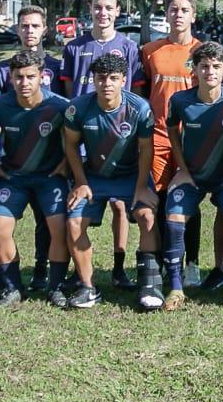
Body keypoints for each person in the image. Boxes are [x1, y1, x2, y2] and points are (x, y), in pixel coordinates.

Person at [60, 0, 147, 289]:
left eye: (109, 7)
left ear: (117, 11)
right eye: (98, 7)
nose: (103, 12)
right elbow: (69, 93)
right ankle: (77, 270)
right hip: (85, 131)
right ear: (90, 9)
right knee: (78, 197)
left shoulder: (128, 47)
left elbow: (134, 93)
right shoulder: (73, 47)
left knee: (120, 206)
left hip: (118, 133)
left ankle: (119, 266)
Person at [60, 53, 158, 310]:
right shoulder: (77, 108)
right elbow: (70, 146)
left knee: (148, 216)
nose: (107, 84)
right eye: (101, 78)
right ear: (93, 80)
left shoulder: (140, 108)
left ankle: (149, 285)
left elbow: (147, 149)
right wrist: (80, 182)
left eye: (114, 78)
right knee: (73, 223)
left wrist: (140, 186)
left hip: (130, 177)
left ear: (124, 80)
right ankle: (88, 287)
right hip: (93, 177)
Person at [162, 42, 223, 313]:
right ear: (195, 70)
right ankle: (177, 288)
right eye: (204, 66)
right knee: (174, 219)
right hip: (193, 176)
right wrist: (182, 170)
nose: (209, 71)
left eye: (216, 66)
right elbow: (172, 133)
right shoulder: (180, 100)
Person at [140, 0, 214, 289]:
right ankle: (157, 263)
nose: (178, 14)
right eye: (173, 9)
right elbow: (143, 95)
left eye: (185, 10)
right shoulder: (150, 50)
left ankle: (191, 263)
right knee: (158, 201)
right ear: (166, 14)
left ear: (193, 16)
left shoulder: (203, 52)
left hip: (191, 138)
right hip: (158, 137)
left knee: (189, 201)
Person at [0, 49, 72, 308]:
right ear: (11, 78)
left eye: (30, 77)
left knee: (60, 228)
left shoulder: (59, 106)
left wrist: (65, 164)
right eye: (18, 77)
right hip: (13, 178)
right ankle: (13, 287)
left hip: (49, 178)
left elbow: (75, 143)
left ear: (42, 77)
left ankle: (55, 286)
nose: (24, 83)